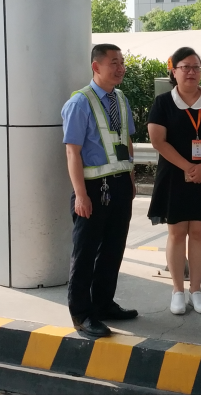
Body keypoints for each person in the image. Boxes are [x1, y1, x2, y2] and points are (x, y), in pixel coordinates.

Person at [147, 47, 201, 315]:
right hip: (174, 175)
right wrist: (188, 167)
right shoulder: (163, 102)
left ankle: (196, 290)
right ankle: (177, 291)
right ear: (174, 71)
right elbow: (157, 141)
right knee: (176, 233)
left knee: (198, 232)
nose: (191, 72)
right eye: (185, 67)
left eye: (196, 67)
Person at [61, 44, 138, 337]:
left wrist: (131, 177)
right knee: (85, 253)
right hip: (93, 188)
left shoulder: (121, 99)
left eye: (122, 62)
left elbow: (126, 141)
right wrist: (80, 194)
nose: (120, 68)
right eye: (113, 62)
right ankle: (82, 314)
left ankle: (104, 304)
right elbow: (72, 152)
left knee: (113, 249)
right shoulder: (80, 103)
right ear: (96, 67)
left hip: (120, 185)